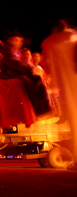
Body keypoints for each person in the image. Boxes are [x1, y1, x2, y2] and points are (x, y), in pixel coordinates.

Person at [41, 18, 77, 169]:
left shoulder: (47, 42)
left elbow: (44, 64)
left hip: (64, 85)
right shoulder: (73, 36)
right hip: (73, 78)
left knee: (73, 122)